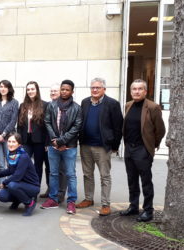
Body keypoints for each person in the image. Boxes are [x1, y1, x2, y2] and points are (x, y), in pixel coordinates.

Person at [76, 78, 123, 216]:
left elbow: (118, 126)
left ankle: (105, 204)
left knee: (105, 176)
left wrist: (115, 145)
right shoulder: (85, 102)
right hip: (85, 145)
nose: (95, 90)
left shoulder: (112, 104)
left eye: (98, 87)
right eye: (93, 87)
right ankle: (88, 199)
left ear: (104, 89)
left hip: (102, 147)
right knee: (87, 174)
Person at [120, 79, 165, 222]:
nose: (137, 91)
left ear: (145, 91)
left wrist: (151, 146)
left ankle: (148, 210)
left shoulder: (153, 107)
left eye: (140, 89)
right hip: (129, 149)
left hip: (143, 150)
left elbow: (160, 130)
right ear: (131, 91)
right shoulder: (128, 105)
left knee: (146, 181)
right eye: (134, 89)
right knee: (131, 180)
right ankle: (133, 206)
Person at [42, 80, 82, 215]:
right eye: (62, 89)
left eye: (67, 90)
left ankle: (71, 202)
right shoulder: (52, 105)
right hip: (53, 146)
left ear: (72, 92)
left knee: (70, 174)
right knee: (53, 173)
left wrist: (62, 141)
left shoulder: (77, 108)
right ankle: (52, 199)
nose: (64, 91)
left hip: (69, 147)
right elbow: (47, 122)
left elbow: (76, 127)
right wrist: (55, 141)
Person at [0, 132, 40, 216]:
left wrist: (4, 182)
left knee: (12, 185)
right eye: (9, 141)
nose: (10, 144)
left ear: (19, 144)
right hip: (19, 184)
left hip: (32, 186)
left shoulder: (23, 156)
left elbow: (17, 176)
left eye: (13, 142)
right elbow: (10, 170)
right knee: (1, 195)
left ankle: (29, 203)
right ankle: (18, 200)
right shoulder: (11, 154)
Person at [17, 81, 48, 184]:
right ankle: (25, 186)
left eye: (32, 89)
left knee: (38, 165)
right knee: (23, 162)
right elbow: (20, 125)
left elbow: (47, 126)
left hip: (39, 141)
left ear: (37, 90)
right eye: (28, 89)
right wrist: (18, 141)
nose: (30, 91)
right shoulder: (22, 106)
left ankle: (35, 188)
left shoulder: (45, 105)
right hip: (26, 140)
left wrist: (47, 142)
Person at [0, 80, 19, 184]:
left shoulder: (14, 102)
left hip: (9, 138)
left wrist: (3, 134)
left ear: (9, 88)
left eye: (5, 87)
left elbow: (13, 120)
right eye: (1, 86)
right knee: (1, 164)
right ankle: (3, 186)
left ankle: (11, 186)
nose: (3, 89)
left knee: (11, 163)